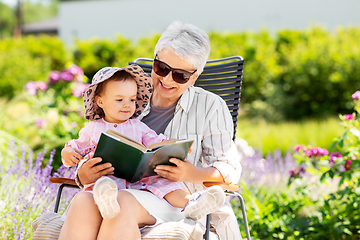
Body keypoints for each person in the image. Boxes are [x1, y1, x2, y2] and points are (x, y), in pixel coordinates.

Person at [59, 21, 242, 240]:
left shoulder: (211, 106)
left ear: (195, 76)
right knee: (82, 201)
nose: (166, 79)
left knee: (122, 201)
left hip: (175, 200)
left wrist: (190, 173)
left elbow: (228, 167)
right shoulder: (129, 97)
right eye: (162, 68)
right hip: (118, 190)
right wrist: (82, 174)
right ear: (154, 61)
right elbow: (87, 145)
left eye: (180, 75)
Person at [61, 65, 226, 220]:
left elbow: (156, 141)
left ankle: (192, 203)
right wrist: (67, 153)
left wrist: (173, 147)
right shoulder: (93, 128)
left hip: (138, 180)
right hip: (107, 176)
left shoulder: (138, 126)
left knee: (164, 182)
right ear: (100, 102)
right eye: (119, 100)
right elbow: (76, 145)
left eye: (132, 100)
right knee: (104, 184)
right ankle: (107, 204)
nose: (127, 105)